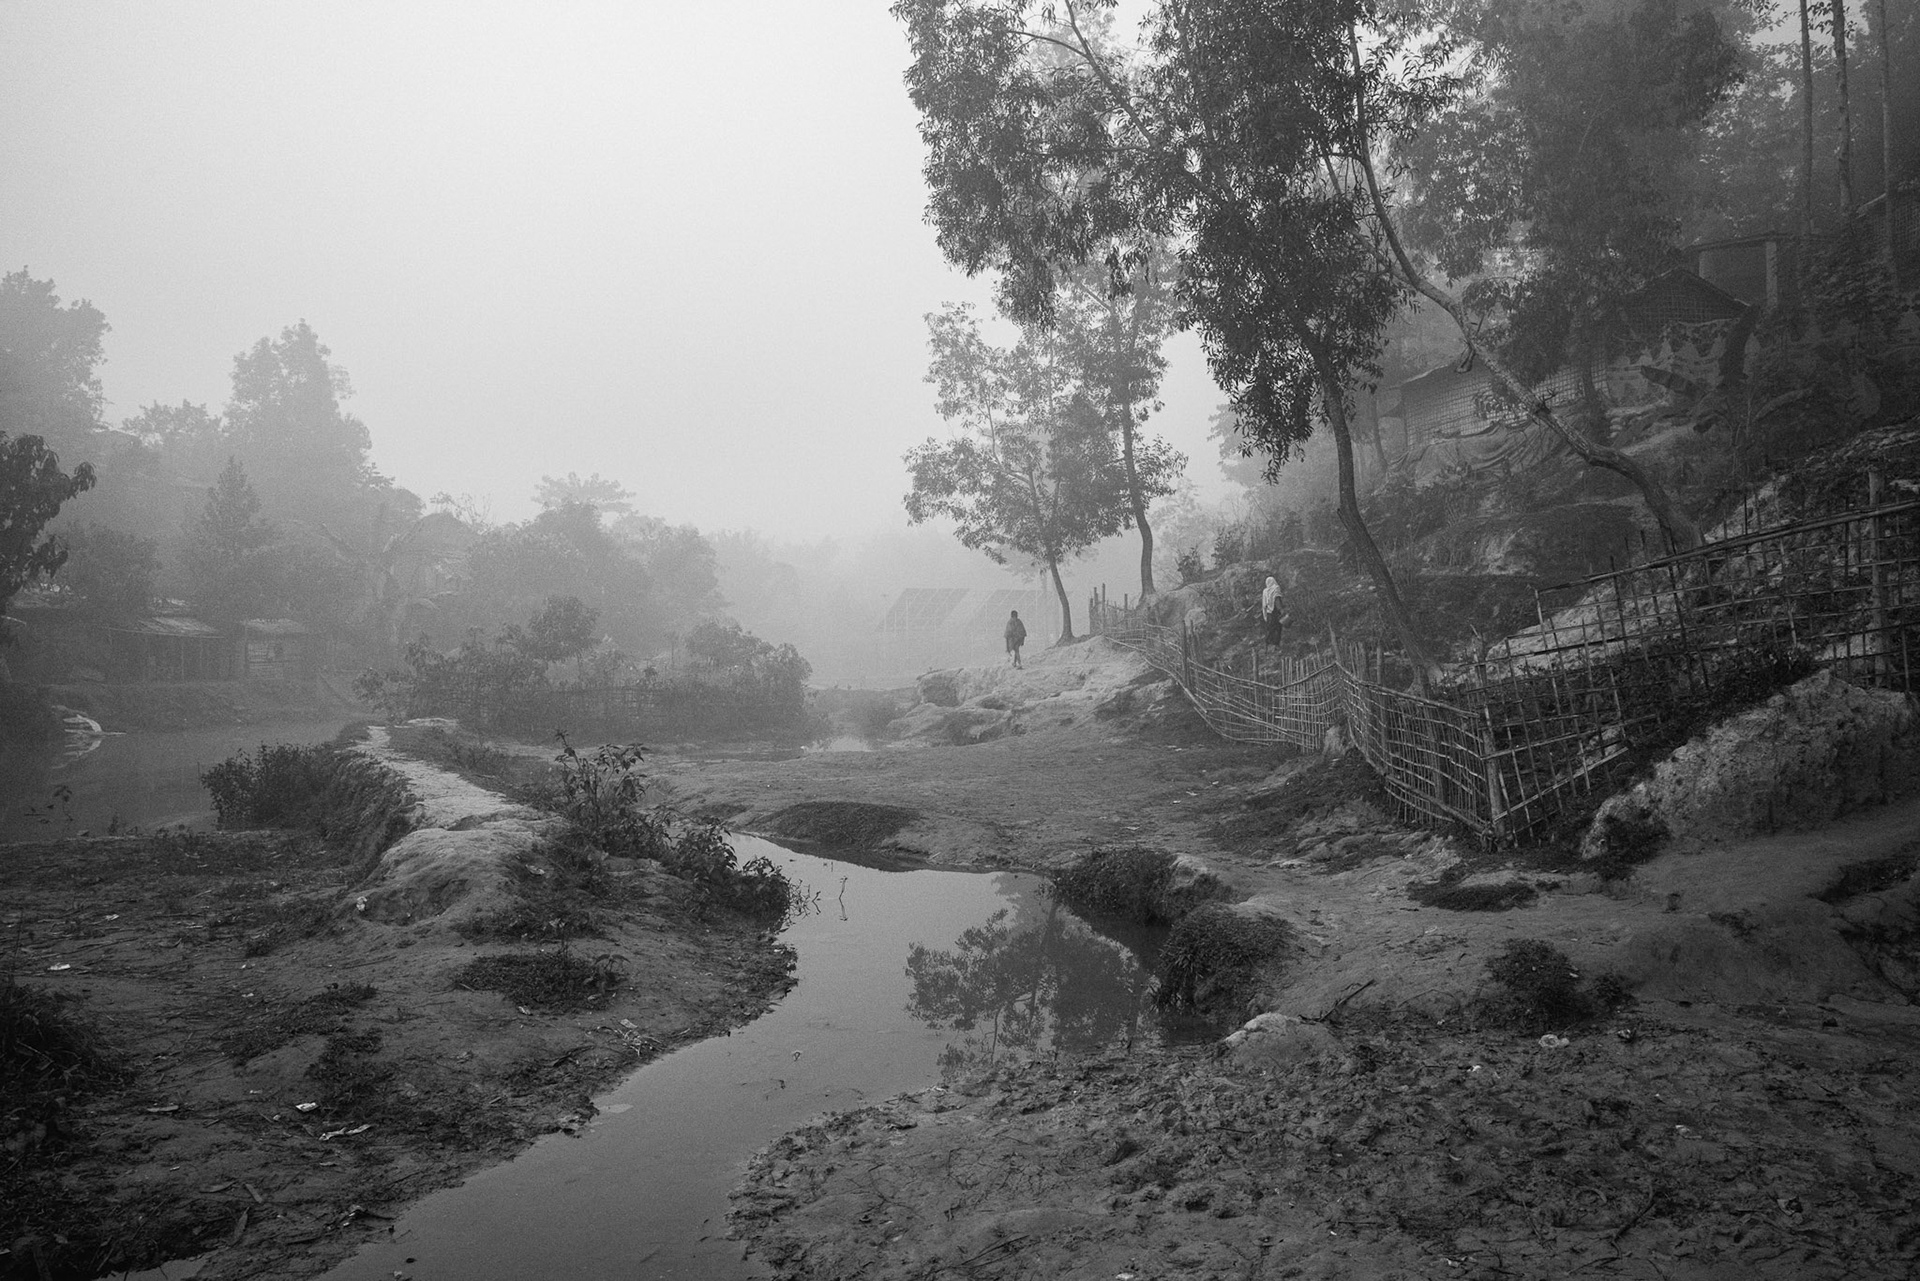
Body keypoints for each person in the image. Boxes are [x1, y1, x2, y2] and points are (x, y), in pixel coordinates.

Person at [1260, 575, 1289, 646]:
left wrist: (1265, 615)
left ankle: (1268, 643)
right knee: (1278, 627)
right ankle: (1276, 643)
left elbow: (1264, 605)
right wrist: (1281, 610)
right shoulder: (1276, 588)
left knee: (1270, 627)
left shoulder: (1265, 591)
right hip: (1276, 611)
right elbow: (1277, 600)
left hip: (1269, 612)